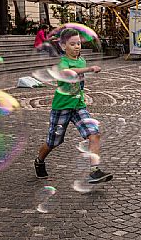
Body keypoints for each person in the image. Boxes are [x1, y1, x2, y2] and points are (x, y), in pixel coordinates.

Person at [34, 29, 113, 183]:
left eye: (78, 43)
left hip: (78, 105)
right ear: (63, 46)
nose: (77, 46)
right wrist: (89, 69)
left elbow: (79, 83)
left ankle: (94, 171)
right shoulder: (62, 61)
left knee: (94, 134)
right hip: (61, 107)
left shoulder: (81, 60)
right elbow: (68, 73)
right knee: (53, 142)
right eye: (72, 44)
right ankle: (39, 160)